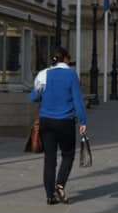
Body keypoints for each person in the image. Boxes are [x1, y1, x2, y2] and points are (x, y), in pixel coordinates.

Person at [30, 47, 88, 205]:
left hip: (46, 121)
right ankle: (60, 185)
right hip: (65, 121)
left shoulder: (44, 74)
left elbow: (34, 96)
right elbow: (77, 100)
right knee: (68, 154)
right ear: (66, 59)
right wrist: (83, 121)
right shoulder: (71, 74)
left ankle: (50, 195)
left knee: (49, 158)